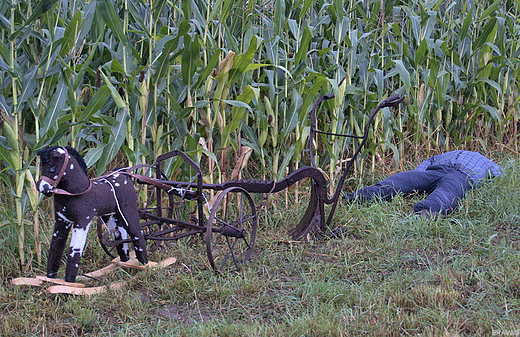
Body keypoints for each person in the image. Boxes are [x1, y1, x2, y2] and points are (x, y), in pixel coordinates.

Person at [343, 150, 502, 217]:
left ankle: (426, 212)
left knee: (448, 191)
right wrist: (420, 177)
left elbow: (497, 174)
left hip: (463, 174)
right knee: (399, 181)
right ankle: (352, 198)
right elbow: (428, 162)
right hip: (436, 170)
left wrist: (481, 186)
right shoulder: (447, 154)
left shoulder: (486, 161)